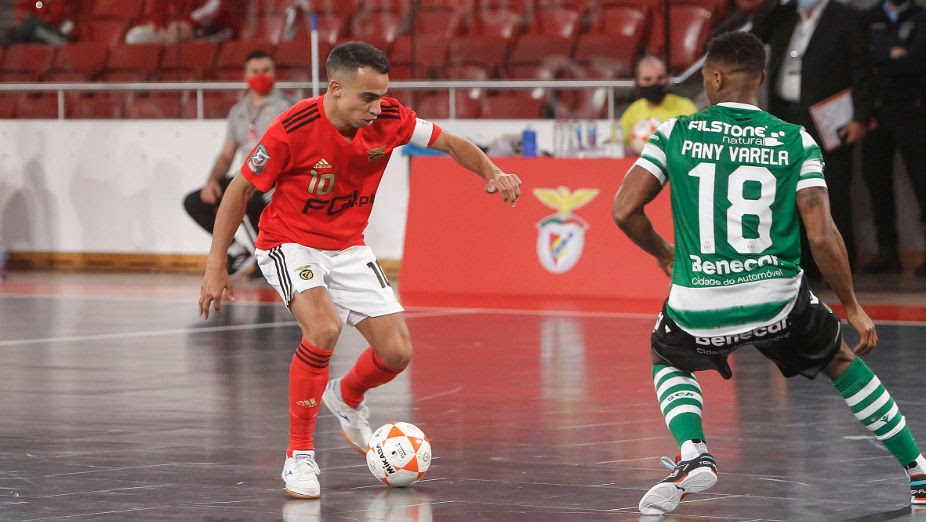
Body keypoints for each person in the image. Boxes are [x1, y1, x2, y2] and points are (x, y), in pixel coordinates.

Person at [611, 31, 926, 516]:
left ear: (713, 77)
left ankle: (693, 453)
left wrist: (663, 252)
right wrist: (854, 307)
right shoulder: (794, 139)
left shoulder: (673, 133)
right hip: (777, 300)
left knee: (667, 356)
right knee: (841, 362)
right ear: (760, 78)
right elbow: (822, 235)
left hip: (700, 303)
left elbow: (624, 210)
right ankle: (919, 472)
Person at [198, 41, 522, 499]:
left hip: (348, 247)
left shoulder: (391, 118)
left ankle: (346, 397)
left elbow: (449, 141)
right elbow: (239, 191)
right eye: (367, 97)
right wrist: (216, 264)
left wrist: (492, 171)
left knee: (397, 353)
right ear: (335, 89)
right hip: (290, 244)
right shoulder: (291, 129)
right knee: (324, 329)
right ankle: (300, 457)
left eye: (382, 95)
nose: (377, 107)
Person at [752, 0, 874, 276]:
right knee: (787, 192)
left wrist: (861, 118)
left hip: (828, 118)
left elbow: (862, 70)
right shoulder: (785, 17)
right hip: (785, 115)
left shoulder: (845, 17)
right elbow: (758, 31)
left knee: (833, 192)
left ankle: (839, 266)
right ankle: (801, 265)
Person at [183, 49, 292, 278]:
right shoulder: (238, 111)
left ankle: (267, 260)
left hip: (277, 179)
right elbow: (226, 155)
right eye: (255, 71)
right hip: (248, 176)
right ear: (245, 75)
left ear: (274, 73)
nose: (260, 75)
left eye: (266, 70)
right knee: (196, 201)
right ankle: (237, 252)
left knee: (249, 199)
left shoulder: (288, 107)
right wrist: (212, 181)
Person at [859, 0, 926, 274]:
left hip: (913, 109)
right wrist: (894, 54)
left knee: (922, 181)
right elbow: (863, 60)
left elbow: (917, 60)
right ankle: (888, 251)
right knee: (877, 182)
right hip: (875, 110)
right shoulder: (869, 17)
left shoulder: (920, 16)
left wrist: (886, 58)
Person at [618, 55, 698, 156]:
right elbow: (615, 143)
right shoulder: (634, 109)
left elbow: (697, 142)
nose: (654, 84)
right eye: (648, 79)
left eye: (660, 78)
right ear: (638, 82)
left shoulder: (686, 107)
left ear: (668, 79)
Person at [125, 0, 240, 44]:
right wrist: (161, 29)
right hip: (175, 29)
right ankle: (148, 81)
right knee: (135, 36)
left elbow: (215, 5)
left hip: (213, 27)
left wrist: (190, 24)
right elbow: (157, 9)